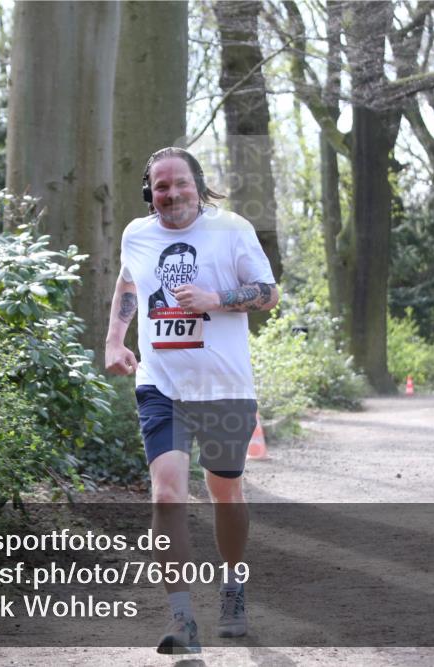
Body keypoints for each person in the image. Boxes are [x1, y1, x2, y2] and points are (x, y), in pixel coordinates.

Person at [104, 146, 278, 654]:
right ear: (149, 193)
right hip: (162, 386)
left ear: (198, 187)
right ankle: (182, 618)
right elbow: (127, 282)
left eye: (181, 184)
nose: (172, 193)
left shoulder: (232, 230)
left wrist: (216, 300)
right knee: (167, 493)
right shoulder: (137, 234)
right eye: (161, 186)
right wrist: (115, 339)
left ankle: (233, 584)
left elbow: (268, 293)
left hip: (225, 388)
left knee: (225, 493)